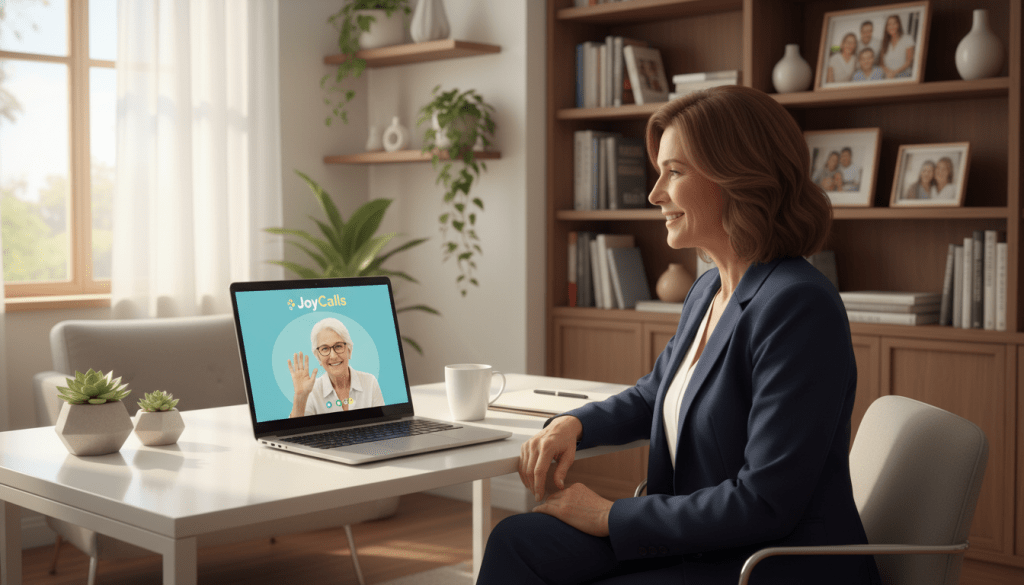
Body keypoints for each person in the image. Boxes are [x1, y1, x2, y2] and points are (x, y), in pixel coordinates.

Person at [477, 85, 881, 585]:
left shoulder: (799, 306)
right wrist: (572, 424)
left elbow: (765, 502)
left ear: (738, 176)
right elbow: (658, 393)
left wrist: (608, 515)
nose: (654, 193)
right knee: (516, 542)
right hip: (699, 542)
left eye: (675, 171)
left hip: (768, 563)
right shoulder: (709, 289)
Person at [287, 317, 385, 417]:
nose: (333, 356)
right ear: (318, 358)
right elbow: (297, 429)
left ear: (349, 351)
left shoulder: (370, 382)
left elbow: (382, 423)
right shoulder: (311, 391)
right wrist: (300, 397)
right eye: (325, 348)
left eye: (338, 346)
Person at [879, 14, 915, 79]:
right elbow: (882, 64)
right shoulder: (884, 42)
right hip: (888, 75)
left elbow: (909, 62)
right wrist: (888, 73)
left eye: (894, 23)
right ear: (886, 27)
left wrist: (894, 73)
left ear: (899, 25)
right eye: (889, 24)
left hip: (904, 74)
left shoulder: (907, 39)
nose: (891, 26)